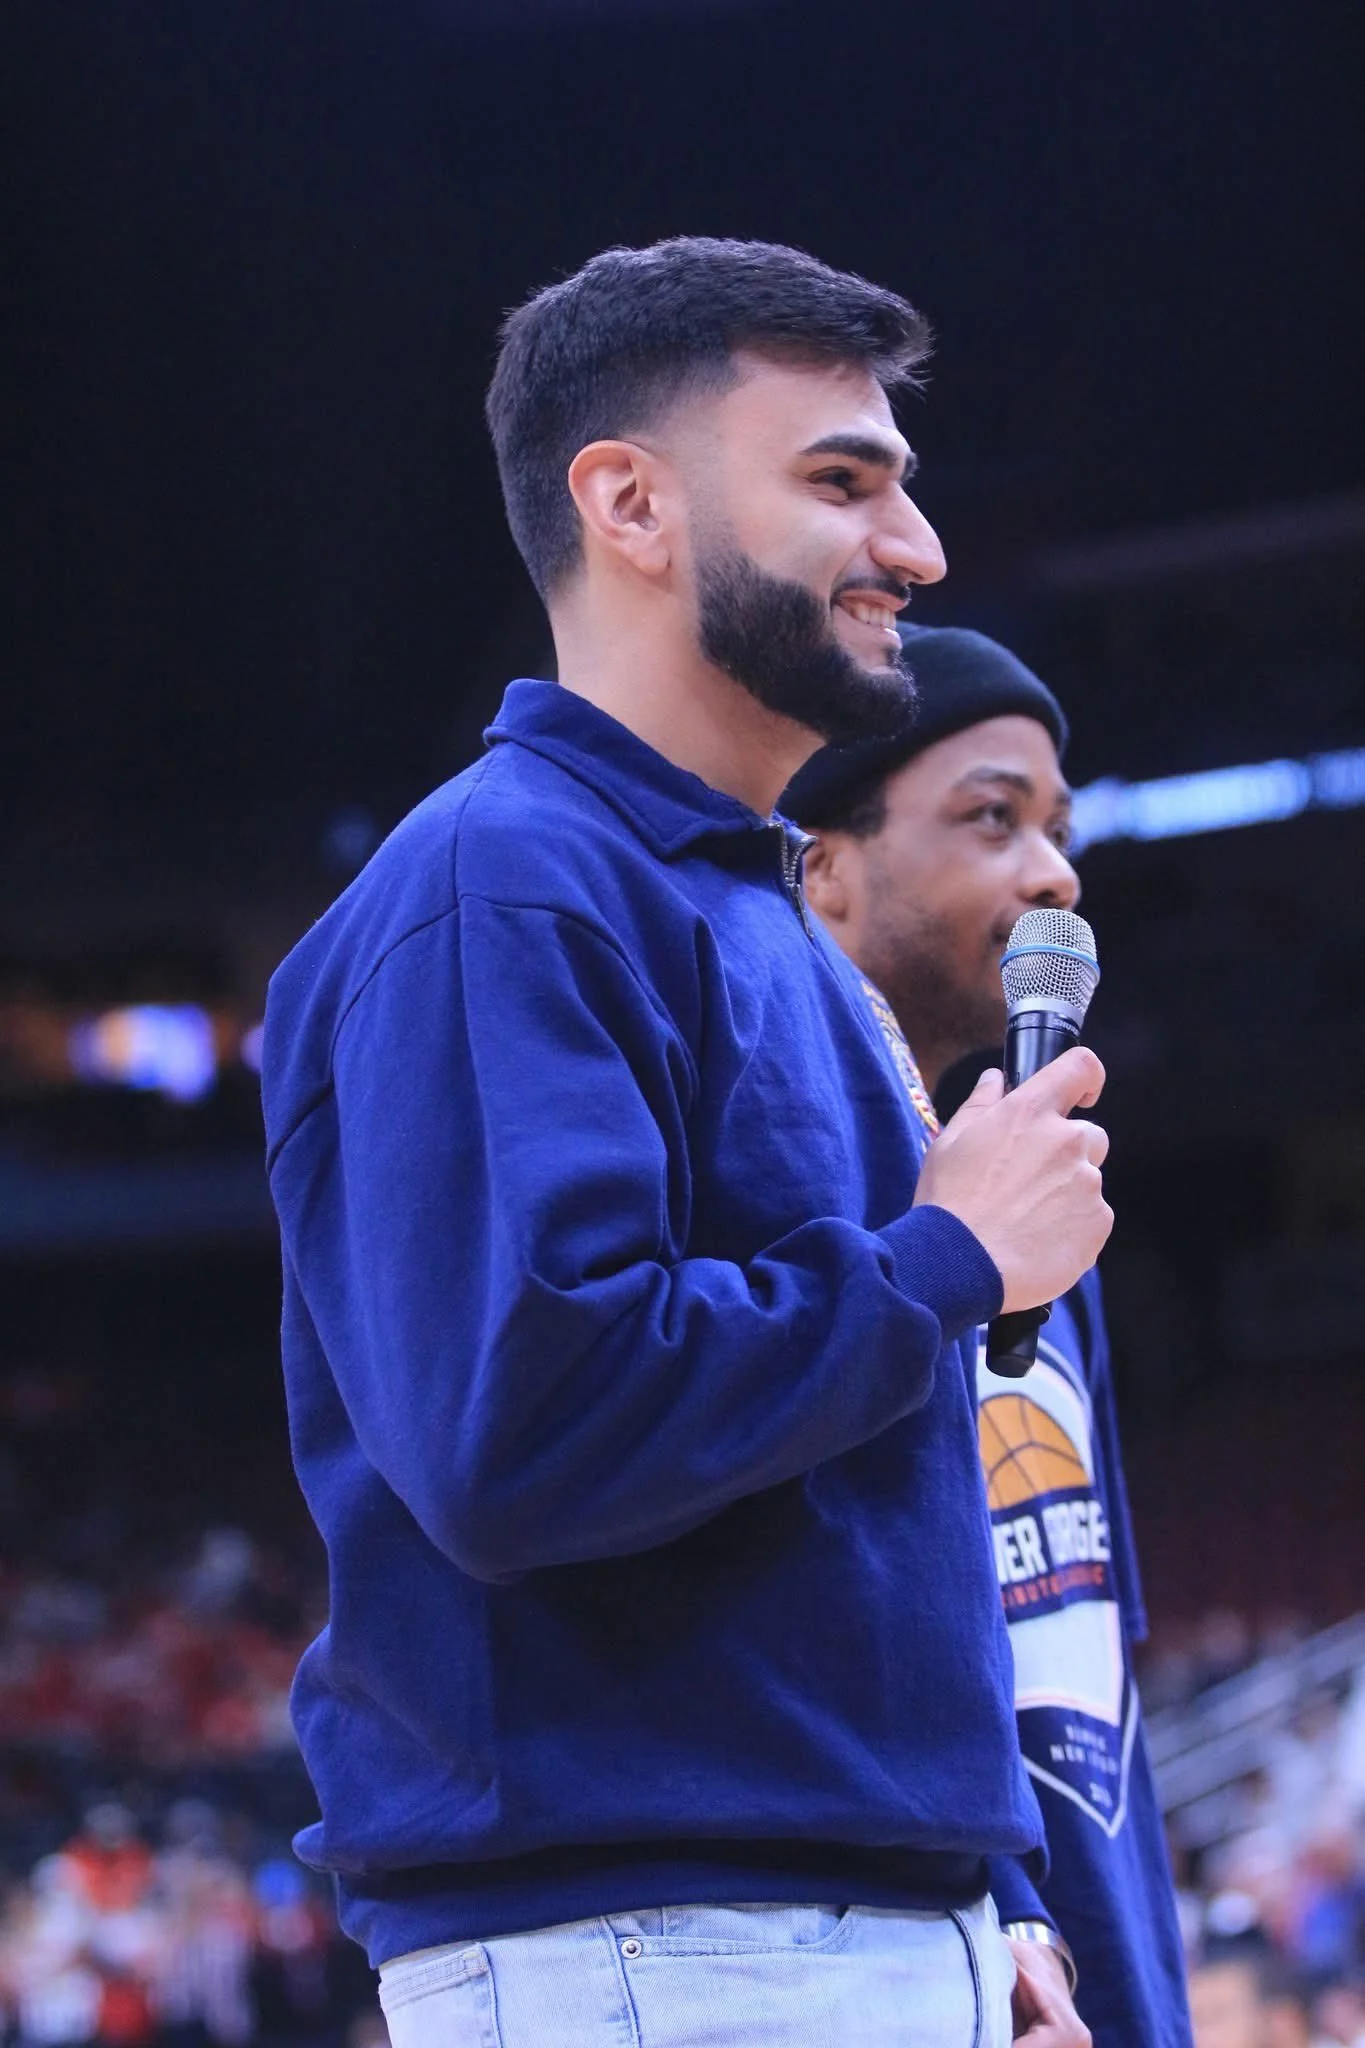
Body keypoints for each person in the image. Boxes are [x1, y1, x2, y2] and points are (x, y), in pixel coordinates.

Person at [262, 236, 1112, 2046]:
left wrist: (986, 1893)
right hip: (665, 1947)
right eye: (840, 480)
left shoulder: (755, 914)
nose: (919, 549)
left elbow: (849, 1514)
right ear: (630, 503)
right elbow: (526, 1427)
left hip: (837, 1926)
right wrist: (943, 1258)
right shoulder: (504, 884)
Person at [784, 623, 1193, 2046]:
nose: (1054, 872)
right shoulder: (807, 1212)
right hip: (948, 1965)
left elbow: (1083, 1657)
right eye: (992, 817)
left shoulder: (1040, 1209)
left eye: (1060, 828)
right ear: (821, 866)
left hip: (1106, 1954)